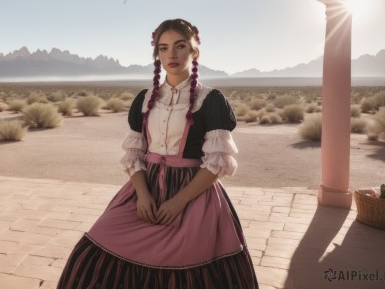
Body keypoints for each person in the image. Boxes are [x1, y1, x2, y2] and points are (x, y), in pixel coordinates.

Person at [57, 19, 258, 288]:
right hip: (145, 187)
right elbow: (134, 153)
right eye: (163, 48)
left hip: (193, 192)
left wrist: (178, 202)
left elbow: (217, 162)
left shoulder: (211, 100)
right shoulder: (145, 98)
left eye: (180, 46)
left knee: (187, 270)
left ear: (194, 51)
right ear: (156, 53)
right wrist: (142, 195)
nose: (171, 55)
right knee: (89, 253)